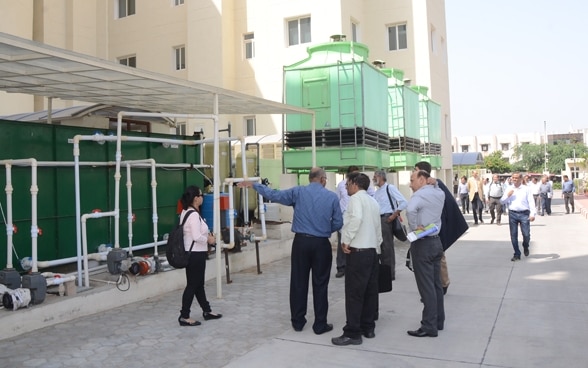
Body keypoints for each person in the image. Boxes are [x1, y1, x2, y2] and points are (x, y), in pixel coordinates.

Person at [238, 168, 343, 334]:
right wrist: (323, 229)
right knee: (320, 284)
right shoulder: (331, 197)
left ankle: (298, 322)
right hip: (321, 244)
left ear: (310, 179)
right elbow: (338, 222)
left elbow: (274, 195)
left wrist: (255, 185)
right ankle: (320, 324)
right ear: (323, 179)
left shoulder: (298, 192)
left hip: (301, 242)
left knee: (298, 282)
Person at [331, 172, 382, 346]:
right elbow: (378, 228)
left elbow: (356, 219)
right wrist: (378, 248)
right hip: (372, 252)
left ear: (354, 184)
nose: (345, 187)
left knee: (354, 294)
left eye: (347, 183)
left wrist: (346, 240)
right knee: (369, 292)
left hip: (358, 252)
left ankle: (353, 332)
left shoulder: (356, 200)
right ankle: (368, 327)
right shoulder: (373, 201)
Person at [414, 162, 468, 296]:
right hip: (427, 226)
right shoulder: (424, 186)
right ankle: (436, 284)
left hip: (435, 227)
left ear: (421, 172)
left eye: (415, 170)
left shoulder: (435, 183)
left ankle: (443, 283)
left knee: (439, 256)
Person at [406, 170, 445, 338]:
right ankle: (438, 321)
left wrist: (415, 227)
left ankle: (429, 325)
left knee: (427, 288)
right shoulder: (438, 192)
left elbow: (410, 210)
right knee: (436, 285)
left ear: (422, 180)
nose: (410, 184)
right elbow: (438, 187)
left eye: (412, 180)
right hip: (436, 241)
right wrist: (435, 183)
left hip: (423, 243)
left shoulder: (419, 195)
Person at [178, 185, 222, 327]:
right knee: (192, 285)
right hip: (195, 254)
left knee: (198, 285)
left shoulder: (186, 212)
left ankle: (207, 311)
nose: (203, 198)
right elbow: (196, 236)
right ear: (196, 198)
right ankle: (184, 316)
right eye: (201, 195)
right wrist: (209, 240)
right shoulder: (193, 215)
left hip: (194, 253)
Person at [335, 166, 375, 278]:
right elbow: (337, 199)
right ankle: (341, 267)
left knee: (352, 243)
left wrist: (347, 240)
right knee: (342, 245)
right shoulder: (342, 185)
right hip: (345, 216)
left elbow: (357, 218)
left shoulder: (358, 198)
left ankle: (351, 266)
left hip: (359, 217)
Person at [372, 170, 408, 281]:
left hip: (386, 219)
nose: (373, 179)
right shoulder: (377, 192)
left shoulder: (390, 188)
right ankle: (384, 270)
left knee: (387, 247)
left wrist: (394, 215)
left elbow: (403, 202)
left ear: (381, 177)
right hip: (378, 220)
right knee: (380, 247)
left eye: (375, 176)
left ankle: (390, 273)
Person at [500, 173, 536, 261]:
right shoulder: (509, 188)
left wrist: (532, 214)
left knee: (526, 234)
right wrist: (507, 196)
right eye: (513, 178)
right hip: (512, 214)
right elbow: (502, 201)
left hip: (524, 214)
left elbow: (531, 201)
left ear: (520, 179)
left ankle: (525, 245)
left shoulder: (526, 189)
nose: (514, 179)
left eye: (516, 178)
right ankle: (517, 253)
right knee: (513, 235)